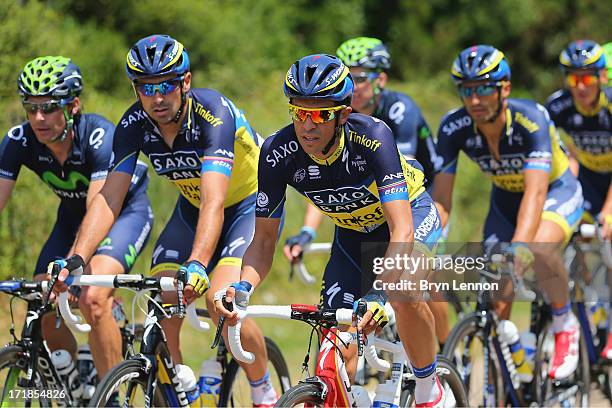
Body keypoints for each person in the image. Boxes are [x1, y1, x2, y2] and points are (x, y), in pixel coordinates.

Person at [50, 35, 277, 406]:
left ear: (185, 82)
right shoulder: (134, 123)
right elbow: (110, 197)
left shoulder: (213, 113)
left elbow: (214, 199)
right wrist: (76, 258)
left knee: (223, 302)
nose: (157, 97)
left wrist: (199, 263)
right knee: (163, 294)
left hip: (244, 207)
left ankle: (262, 385)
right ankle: (180, 388)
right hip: (192, 209)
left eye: (166, 85)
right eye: (146, 88)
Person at [217, 54, 448, 407]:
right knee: (335, 344)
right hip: (351, 237)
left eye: (321, 114)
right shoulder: (278, 153)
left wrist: (380, 296)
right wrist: (243, 286)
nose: (308, 126)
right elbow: (263, 241)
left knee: (403, 293)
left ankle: (429, 388)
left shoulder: (373, 137)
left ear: (342, 114)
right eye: (299, 112)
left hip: (408, 221)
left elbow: (401, 229)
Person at [283, 37, 450, 347]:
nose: (354, 85)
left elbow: (402, 179)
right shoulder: (327, 118)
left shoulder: (399, 113)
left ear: (380, 79)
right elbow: (327, 184)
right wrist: (307, 229)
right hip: (367, 208)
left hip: (419, 198)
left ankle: (447, 352)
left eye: (360, 77)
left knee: (419, 282)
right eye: (349, 77)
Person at [433, 45, 584, 380]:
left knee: (538, 247)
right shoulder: (453, 128)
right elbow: (441, 198)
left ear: (505, 88)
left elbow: (536, 191)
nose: (475, 99)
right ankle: (513, 373)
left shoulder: (531, 119)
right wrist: (429, 244)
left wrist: (518, 246)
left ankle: (564, 322)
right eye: (467, 90)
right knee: (495, 301)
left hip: (554, 192)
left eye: (484, 88)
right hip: (504, 201)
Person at [0, 56, 153, 378]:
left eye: (50, 107)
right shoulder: (19, 140)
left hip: (123, 215)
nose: (38, 118)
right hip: (71, 218)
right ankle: (71, 382)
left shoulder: (99, 136)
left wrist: (72, 264)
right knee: (41, 300)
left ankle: (110, 395)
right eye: (31, 108)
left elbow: (100, 205)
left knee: (92, 298)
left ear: (73, 106)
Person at [545, 40, 612, 358]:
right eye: (574, 78)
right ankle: (592, 301)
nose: (581, 86)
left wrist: (610, 212)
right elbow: (551, 153)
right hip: (587, 178)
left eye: (587, 78)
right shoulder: (557, 107)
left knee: (609, 239)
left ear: (601, 77)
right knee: (574, 239)